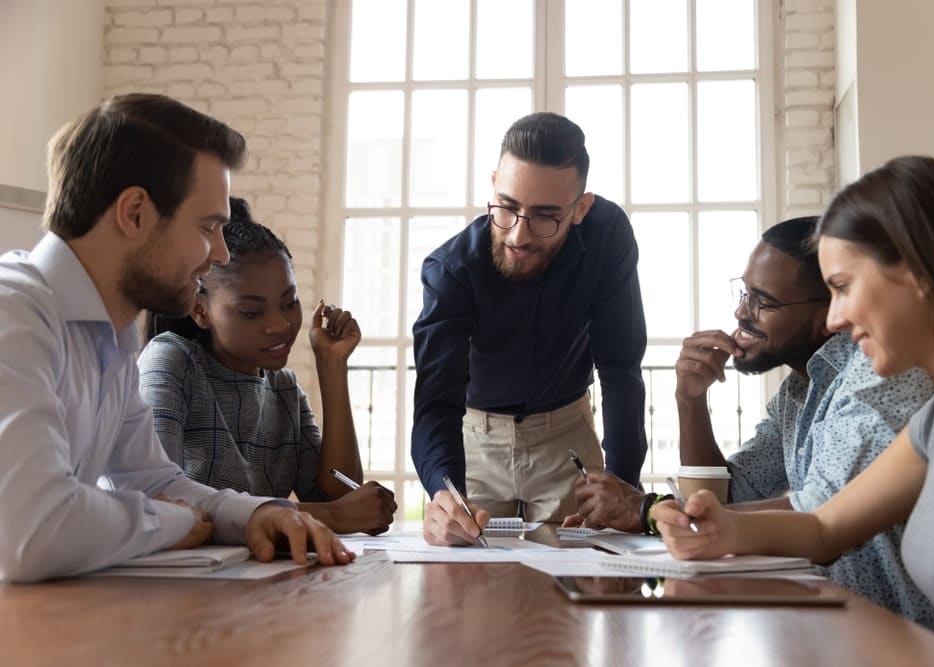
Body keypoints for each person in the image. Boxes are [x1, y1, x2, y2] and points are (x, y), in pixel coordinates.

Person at [655, 156, 934, 661]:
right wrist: (721, 529)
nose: (834, 319)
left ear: (918, 274)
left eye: (842, 288)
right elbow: (825, 526)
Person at [0, 94, 353, 583]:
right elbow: (32, 533)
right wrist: (175, 520)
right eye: (209, 226)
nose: (221, 254)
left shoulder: (110, 333)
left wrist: (252, 514)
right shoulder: (11, 311)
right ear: (136, 213)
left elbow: (151, 478)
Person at [567, 216, 934, 629]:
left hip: (903, 633)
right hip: (838, 625)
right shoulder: (796, 393)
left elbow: (822, 513)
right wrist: (690, 399)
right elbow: (728, 497)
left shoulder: (879, 377)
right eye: (744, 292)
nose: (741, 312)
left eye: (763, 301)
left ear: (829, 312)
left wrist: (648, 511)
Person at [414, 111, 647, 545]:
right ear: (494, 184)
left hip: (567, 437)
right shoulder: (450, 269)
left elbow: (620, 366)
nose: (519, 235)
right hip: (475, 439)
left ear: (581, 208)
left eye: (545, 216)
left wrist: (621, 482)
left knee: (584, 578)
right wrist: (443, 493)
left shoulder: (607, 236)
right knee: (469, 583)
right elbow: (436, 401)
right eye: (508, 206)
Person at [139, 197, 397, 536]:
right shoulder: (172, 362)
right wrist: (329, 517)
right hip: (181, 584)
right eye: (251, 312)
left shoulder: (283, 388)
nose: (279, 325)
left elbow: (342, 495)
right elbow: (160, 502)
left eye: (290, 303)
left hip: (259, 581)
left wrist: (331, 365)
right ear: (200, 311)